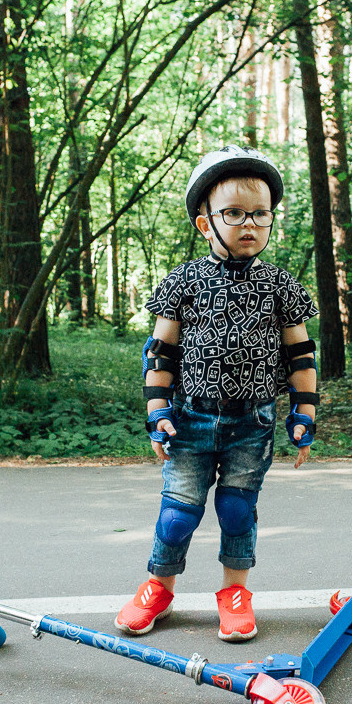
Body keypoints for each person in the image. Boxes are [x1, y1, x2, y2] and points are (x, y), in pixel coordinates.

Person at [115, 145, 319, 643]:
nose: (249, 224)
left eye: (260, 214)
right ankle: (159, 587)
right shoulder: (183, 281)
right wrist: (156, 408)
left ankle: (234, 593)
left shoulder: (280, 285)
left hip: (252, 421)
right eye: (233, 213)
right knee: (178, 512)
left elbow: (301, 355)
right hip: (190, 417)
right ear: (206, 223)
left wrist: (305, 411)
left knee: (235, 509)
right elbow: (160, 351)